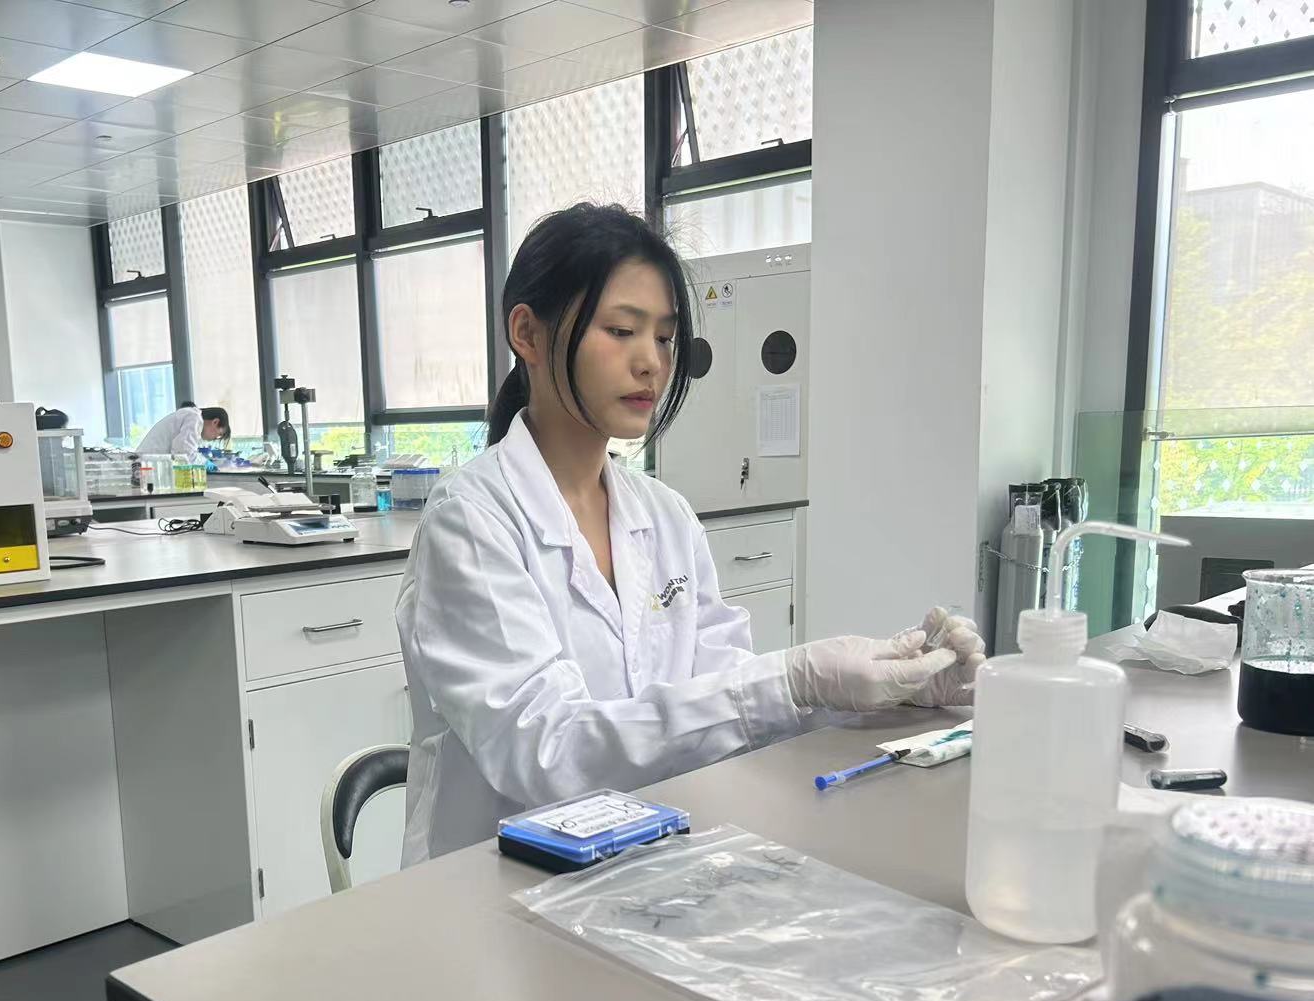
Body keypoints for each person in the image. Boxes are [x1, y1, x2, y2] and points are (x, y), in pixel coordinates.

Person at [396, 204, 983, 865]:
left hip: (647, 864)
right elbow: (545, 751)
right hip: (493, 881)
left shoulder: (666, 515)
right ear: (527, 334)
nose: (651, 362)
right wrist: (793, 681)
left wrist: (886, 693)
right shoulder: (472, 520)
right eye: (622, 331)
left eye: (666, 338)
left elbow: (730, 710)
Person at [135, 402, 230, 459]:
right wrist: (204, 463)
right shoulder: (194, 418)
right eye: (218, 434)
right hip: (146, 465)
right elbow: (183, 452)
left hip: (148, 463)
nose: (214, 438)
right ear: (215, 422)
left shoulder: (192, 417)